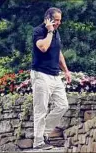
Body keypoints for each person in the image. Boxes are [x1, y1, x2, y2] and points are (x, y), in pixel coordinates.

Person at [30, 7, 71, 150]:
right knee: (41, 109)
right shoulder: (39, 31)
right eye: (56, 20)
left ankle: (43, 134)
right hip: (41, 75)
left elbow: (58, 52)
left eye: (60, 20)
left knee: (63, 105)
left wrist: (66, 70)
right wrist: (49, 30)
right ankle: (38, 142)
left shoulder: (56, 32)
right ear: (48, 19)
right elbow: (43, 47)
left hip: (55, 75)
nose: (59, 23)